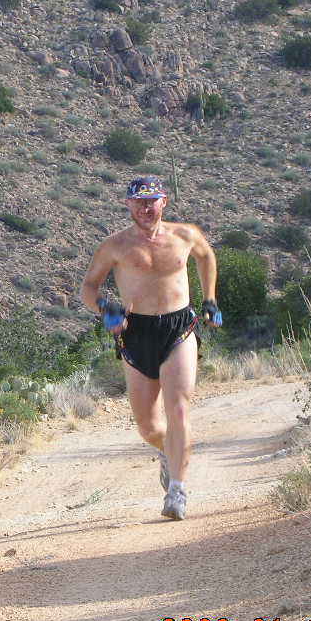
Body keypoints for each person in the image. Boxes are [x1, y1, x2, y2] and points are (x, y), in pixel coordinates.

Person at [79, 176, 222, 520]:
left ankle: (177, 491)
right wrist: (105, 308)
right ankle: (169, 453)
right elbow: (88, 288)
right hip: (136, 332)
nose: (145, 208)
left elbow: (206, 256)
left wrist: (210, 299)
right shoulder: (115, 246)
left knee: (179, 410)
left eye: (152, 201)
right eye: (139, 202)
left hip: (179, 327)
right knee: (148, 427)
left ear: (164, 202)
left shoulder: (185, 234)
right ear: (128, 205)